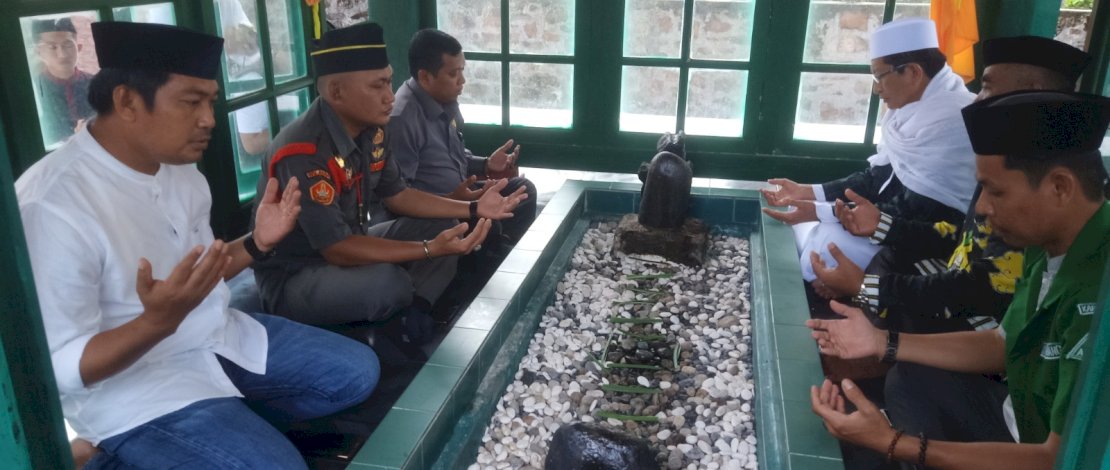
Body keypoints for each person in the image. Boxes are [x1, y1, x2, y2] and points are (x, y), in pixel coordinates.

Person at [16, 22, 379, 468]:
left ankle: (219, 436)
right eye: (191, 102)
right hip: (136, 392)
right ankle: (112, 454)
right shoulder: (52, 204)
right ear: (127, 102)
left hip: (214, 338)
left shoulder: (180, 169)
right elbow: (60, 367)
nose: (209, 118)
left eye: (211, 101)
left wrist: (257, 243)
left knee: (356, 374)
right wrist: (155, 323)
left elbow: (202, 272)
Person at [808, 90, 1110, 468]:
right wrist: (883, 342)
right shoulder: (1050, 245)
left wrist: (894, 443)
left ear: (1060, 187)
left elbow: (1058, 460)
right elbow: (1003, 343)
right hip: (1018, 419)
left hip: (1047, 456)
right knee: (910, 378)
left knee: (873, 448)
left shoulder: (1098, 296)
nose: (981, 207)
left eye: (996, 191)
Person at [252, 23, 527, 346]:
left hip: (354, 239)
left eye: (389, 81)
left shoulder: (372, 129)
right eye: (378, 85)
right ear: (336, 93)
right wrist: (428, 249)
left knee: (448, 225)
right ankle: (391, 324)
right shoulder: (303, 151)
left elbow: (399, 195)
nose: (389, 96)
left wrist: (473, 207)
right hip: (297, 274)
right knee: (388, 283)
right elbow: (336, 248)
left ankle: (414, 316)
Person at [808, 36, 1092, 334]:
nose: (977, 99)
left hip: (991, 321)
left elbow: (982, 288)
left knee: (897, 310)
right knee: (891, 258)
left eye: (987, 87)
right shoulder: (1006, 154)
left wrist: (866, 287)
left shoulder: (1043, 178)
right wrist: (882, 226)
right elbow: (964, 235)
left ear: (1032, 91)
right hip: (965, 279)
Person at [762, 18, 976, 284]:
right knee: (813, 233)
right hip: (891, 224)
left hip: (927, 241)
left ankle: (846, 287)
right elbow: (876, 179)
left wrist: (822, 211)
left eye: (880, 76)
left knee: (828, 243)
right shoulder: (909, 112)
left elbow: (915, 210)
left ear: (912, 72)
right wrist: (808, 192)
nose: (876, 89)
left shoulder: (953, 121)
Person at [386, 28, 537, 252]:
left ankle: (502, 249)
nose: (462, 81)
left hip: (463, 195)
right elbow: (397, 197)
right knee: (487, 223)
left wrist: (486, 164)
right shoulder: (401, 119)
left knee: (524, 191)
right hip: (436, 212)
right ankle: (495, 254)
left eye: (462, 71)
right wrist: (454, 200)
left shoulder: (444, 100)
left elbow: (453, 156)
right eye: (453, 74)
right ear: (425, 77)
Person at [30, 17, 95, 145]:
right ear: (38, 52)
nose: (62, 54)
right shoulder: (34, 89)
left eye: (68, 45)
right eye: (52, 47)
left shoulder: (97, 84)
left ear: (79, 47)